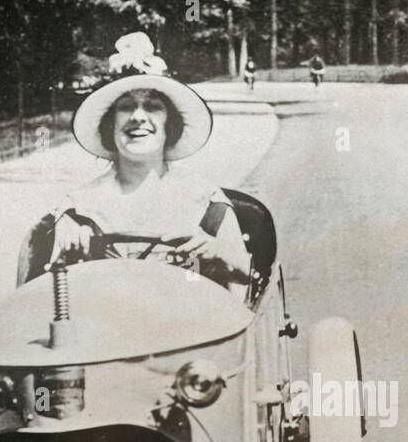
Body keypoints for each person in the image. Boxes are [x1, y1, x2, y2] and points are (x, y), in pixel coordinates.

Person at [19, 32, 251, 295]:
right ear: (110, 123)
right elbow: (37, 296)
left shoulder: (207, 203)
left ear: (170, 124)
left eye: (152, 106)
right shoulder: (77, 208)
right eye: (126, 106)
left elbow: (248, 279)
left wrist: (217, 250)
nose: (138, 117)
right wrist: (63, 244)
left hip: (193, 331)